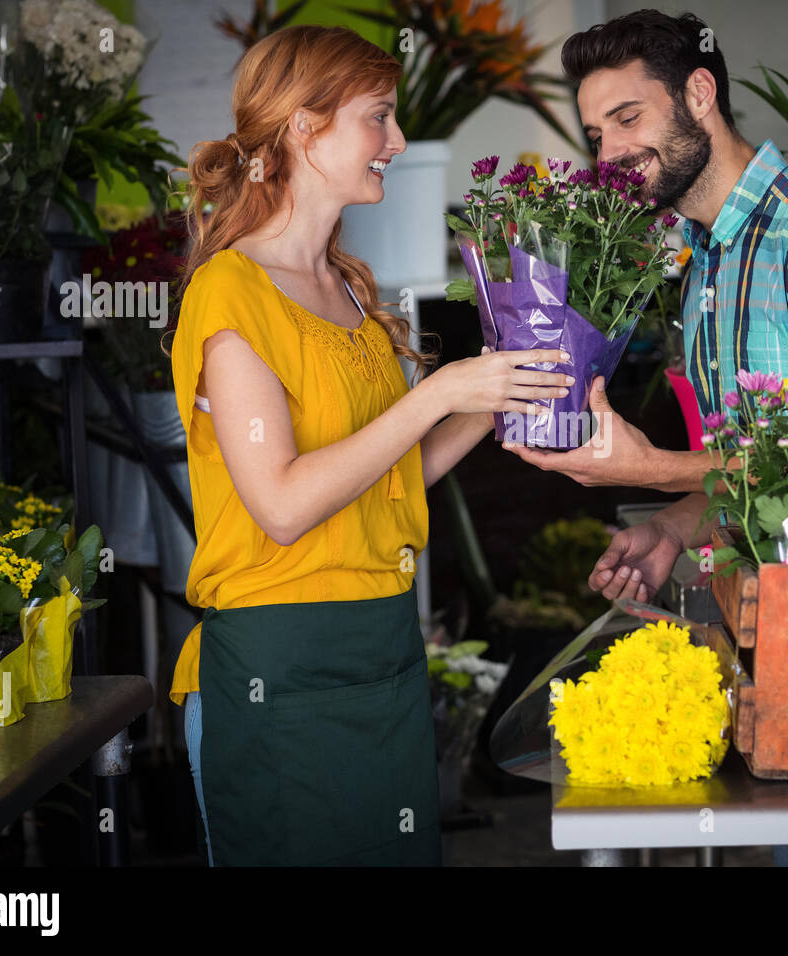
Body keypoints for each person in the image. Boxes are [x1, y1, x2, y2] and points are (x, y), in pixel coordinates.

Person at [506, 10, 788, 867]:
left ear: (700, 95)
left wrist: (646, 465)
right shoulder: (708, 258)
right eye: (597, 131)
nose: (610, 153)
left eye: (629, 119)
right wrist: (676, 523)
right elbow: (763, 464)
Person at [163, 25, 572, 866]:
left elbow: (388, 477)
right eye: (378, 118)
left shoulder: (347, 286)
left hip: (381, 651)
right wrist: (437, 394)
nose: (398, 141)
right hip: (281, 665)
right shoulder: (230, 294)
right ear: (305, 130)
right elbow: (279, 504)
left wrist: (494, 400)